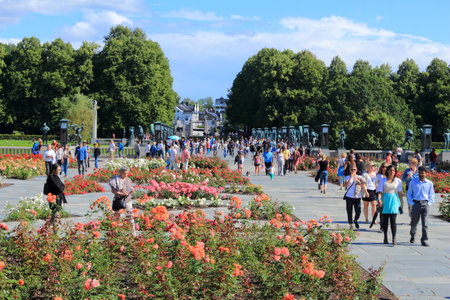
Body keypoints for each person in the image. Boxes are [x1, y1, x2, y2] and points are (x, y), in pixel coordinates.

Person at [407, 166, 435, 247]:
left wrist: (429, 203)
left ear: (426, 174)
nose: (421, 174)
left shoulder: (429, 183)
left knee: (425, 224)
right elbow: (409, 193)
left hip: (425, 204)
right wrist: (411, 203)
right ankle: (413, 235)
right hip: (416, 204)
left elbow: (431, 195)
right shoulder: (413, 182)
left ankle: (424, 239)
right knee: (414, 223)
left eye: (422, 173)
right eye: (419, 173)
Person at [377, 165, 403, 245]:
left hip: (394, 201)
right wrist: (379, 200)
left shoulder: (398, 181)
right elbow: (380, 192)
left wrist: (402, 204)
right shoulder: (383, 180)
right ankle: (385, 237)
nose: (392, 172)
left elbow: (400, 193)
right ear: (387, 171)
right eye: (390, 170)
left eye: (393, 170)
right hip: (385, 200)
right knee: (385, 220)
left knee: (393, 220)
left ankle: (394, 238)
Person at [109, 166, 136, 236]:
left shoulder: (128, 180)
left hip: (127, 200)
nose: (126, 175)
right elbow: (113, 190)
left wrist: (131, 191)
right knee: (117, 216)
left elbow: (130, 189)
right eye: (124, 173)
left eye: (127, 173)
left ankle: (132, 233)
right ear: (120, 173)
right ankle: (115, 233)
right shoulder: (116, 179)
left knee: (130, 216)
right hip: (119, 200)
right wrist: (121, 194)